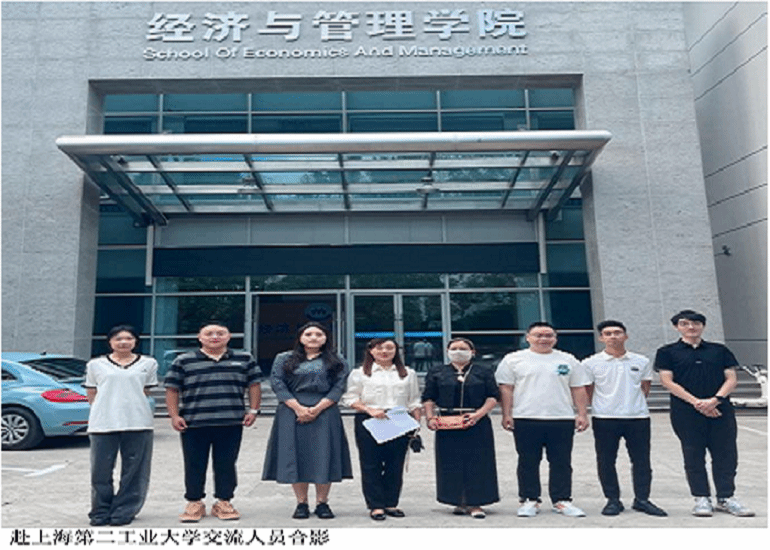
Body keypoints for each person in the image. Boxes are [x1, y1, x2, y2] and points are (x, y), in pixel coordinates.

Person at [654, 309, 755, 517]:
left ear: (703, 326)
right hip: (686, 412)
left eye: (696, 323)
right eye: (685, 323)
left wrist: (715, 400)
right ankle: (701, 498)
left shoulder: (719, 350)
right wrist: (697, 403)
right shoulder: (667, 352)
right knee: (693, 454)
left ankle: (726, 497)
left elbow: (731, 378)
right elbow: (667, 381)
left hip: (721, 410)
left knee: (725, 454)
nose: (691, 327)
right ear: (676, 327)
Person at [165, 320, 262, 522]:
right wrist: (174, 415)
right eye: (209, 333)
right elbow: (172, 389)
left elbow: (254, 385)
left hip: (231, 421)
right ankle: (194, 502)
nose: (215, 337)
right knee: (194, 463)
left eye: (220, 333)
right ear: (199, 337)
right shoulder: (184, 361)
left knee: (226, 464)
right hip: (193, 421)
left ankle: (223, 501)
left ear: (229, 336)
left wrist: (253, 410)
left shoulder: (244, 359)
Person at [495, 321, 590, 518]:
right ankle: (529, 499)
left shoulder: (568, 359)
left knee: (561, 461)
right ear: (528, 337)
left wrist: (582, 413)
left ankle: (562, 500)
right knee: (528, 461)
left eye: (548, 335)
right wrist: (506, 414)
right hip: (525, 417)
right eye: (538, 335)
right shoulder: (513, 359)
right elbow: (506, 388)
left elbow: (578, 388)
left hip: (561, 417)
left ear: (555, 338)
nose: (544, 339)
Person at [262, 322, 353, 519]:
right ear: (300, 337)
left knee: (324, 455)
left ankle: (322, 503)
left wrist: (317, 408)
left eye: (319, 334)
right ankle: (301, 503)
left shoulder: (337, 360)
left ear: (326, 338)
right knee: (296, 456)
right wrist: (298, 408)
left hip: (325, 411)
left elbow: (339, 386)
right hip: (291, 410)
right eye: (308, 334)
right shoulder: (284, 358)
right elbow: (277, 383)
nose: (313, 338)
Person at [582, 320, 667, 517]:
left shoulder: (641, 361)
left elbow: (645, 388)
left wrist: (632, 404)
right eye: (608, 333)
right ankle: (613, 500)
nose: (613, 336)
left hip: (637, 417)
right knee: (606, 460)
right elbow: (589, 390)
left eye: (617, 332)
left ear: (626, 336)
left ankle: (642, 499)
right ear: (601, 338)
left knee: (641, 460)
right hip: (605, 417)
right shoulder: (590, 363)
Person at [85, 325, 158, 526]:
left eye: (128, 338)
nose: (123, 342)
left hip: (138, 422)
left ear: (135, 341)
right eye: (118, 338)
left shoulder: (148, 363)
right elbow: (92, 392)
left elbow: (145, 390)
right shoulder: (96, 365)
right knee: (100, 470)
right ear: (110, 342)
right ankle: (100, 511)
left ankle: (124, 510)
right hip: (103, 423)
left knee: (135, 471)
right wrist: (104, 409)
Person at [341, 338, 421, 521]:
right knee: (371, 464)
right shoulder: (360, 373)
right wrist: (369, 409)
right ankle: (376, 505)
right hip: (370, 420)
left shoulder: (408, 373)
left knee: (395, 464)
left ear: (396, 351)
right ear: (370, 350)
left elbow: (414, 400)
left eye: (389, 348)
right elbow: (350, 398)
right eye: (379, 348)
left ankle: (391, 503)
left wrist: (417, 423)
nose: (384, 351)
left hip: (399, 419)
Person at [422, 338, 500, 519]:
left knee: (479, 461)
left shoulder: (483, 371)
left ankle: (476, 503)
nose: (458, 351)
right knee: (450, 461)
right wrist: (430, 417)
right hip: (447, 421)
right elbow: (429, 397)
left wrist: (478, 414)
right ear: (447, 351)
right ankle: (457, 500)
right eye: (454, 348)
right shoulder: (437, 372)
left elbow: (493, 396)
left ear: (473, 352)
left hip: (476, 420)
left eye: (463, 348)